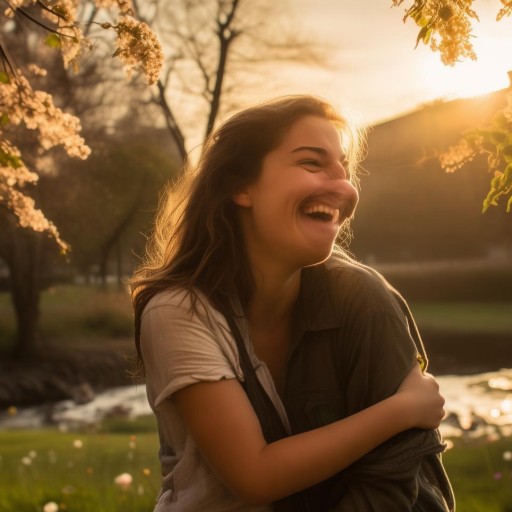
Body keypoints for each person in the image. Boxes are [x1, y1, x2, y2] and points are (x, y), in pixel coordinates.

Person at [131, 95, 455, 511]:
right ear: (239, 185)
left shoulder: (364, 298)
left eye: (343, 168)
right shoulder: (178, 311)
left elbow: (398, 472)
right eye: (311, 163)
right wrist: (401, 409)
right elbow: (253, 475)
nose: (343, 186)